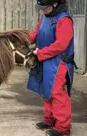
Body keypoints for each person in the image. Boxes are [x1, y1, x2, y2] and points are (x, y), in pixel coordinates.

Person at [27, 0, 76, 136]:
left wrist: (40, 53)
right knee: (45, 90)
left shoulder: (64, 20)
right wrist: (24, 39)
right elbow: (36, 33)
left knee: (57, 93)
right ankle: (50, 119)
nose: (42, 10)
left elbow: (61, 45)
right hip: (44, 59)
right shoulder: (45, 16)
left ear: (55, 5)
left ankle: (63, 128)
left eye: (45, 8)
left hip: (58, 62)